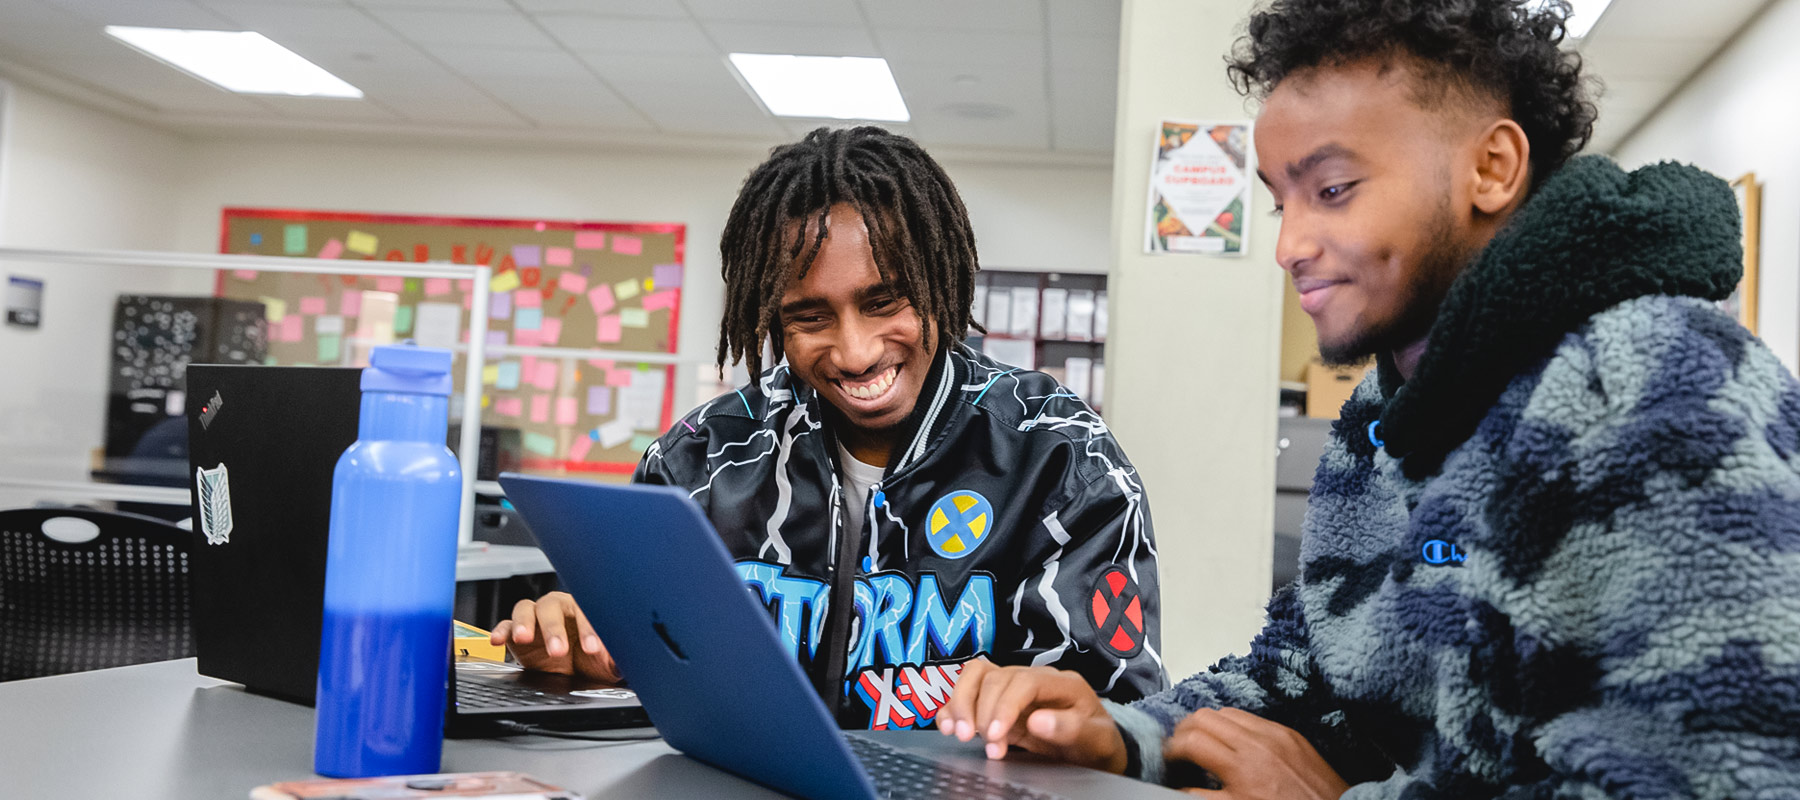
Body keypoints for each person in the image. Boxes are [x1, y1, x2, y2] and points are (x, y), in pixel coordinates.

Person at [935, 0, 1800, 796]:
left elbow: (1727, 775)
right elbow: (1314, 669)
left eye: (1334, 190)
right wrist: (1122, 739)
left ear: (1491, 168)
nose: (1291, 246)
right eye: (1281, 201)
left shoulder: (1661, 384)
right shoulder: (1381, 422)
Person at [492, 126, 1166, 730]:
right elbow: (637, 669)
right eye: (810, 317)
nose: (856, 352)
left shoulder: (1059, 457)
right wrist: (575, 646)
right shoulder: (699, 461)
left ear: (943, 283)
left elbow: (1117, 719)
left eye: (886, 302)